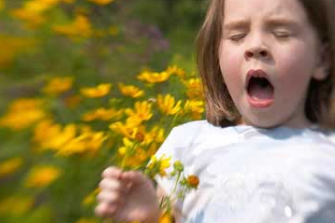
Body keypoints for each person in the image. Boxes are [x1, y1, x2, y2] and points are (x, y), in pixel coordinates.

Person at [95, 0, 335, 222]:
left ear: (322, 59)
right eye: (238, 35)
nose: (255, 46)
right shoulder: (189, 143)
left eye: (281, 33)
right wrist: (148, 216)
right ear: (217, 55)